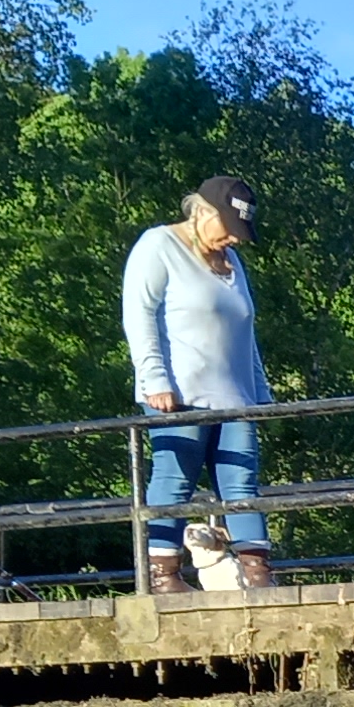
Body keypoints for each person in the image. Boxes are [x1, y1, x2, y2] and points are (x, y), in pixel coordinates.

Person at [123, 174, 275, 594]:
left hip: (236, 397)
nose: (236, 240)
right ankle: (162, 576)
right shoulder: (159, 246)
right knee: (174, 478)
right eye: (230, 228)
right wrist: (154, 378)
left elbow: (245, 329)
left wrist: (260, 392)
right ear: (204, 213)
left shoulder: (232, 262)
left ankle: (258, 575)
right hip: (178, 394)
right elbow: (139, 316)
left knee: (243, 481)